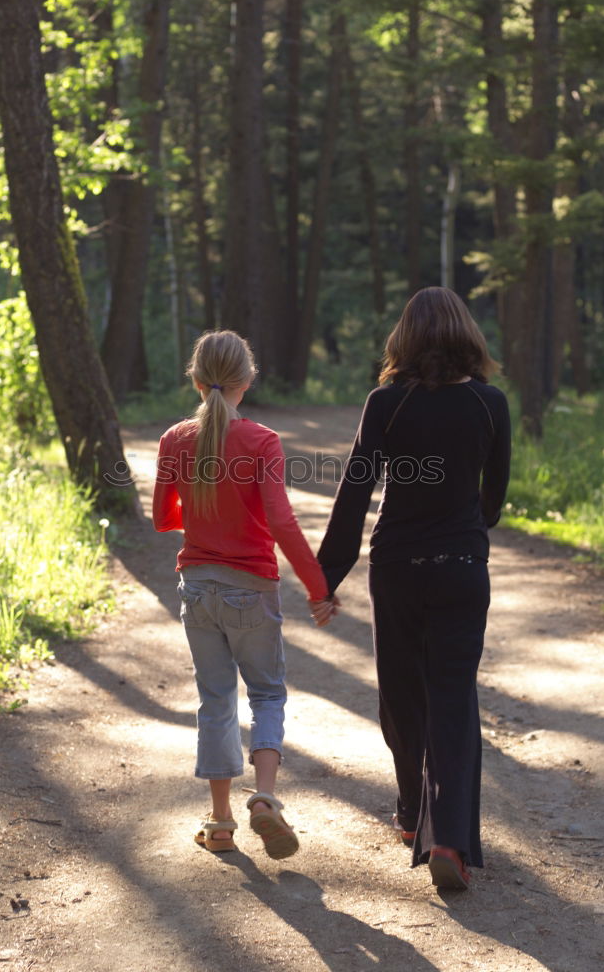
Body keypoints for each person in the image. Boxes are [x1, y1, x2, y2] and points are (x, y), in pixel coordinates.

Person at [316, 287, 511, 891]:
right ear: (466, 338)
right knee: (453, 696)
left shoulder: (386, 404)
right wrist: (466, 524)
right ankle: (448, 835)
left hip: (397, 567)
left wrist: (325, 578)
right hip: (461, 565)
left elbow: (354, 494)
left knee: (402, 695)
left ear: (404, 339)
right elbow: (494, 501)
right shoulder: (489, 404)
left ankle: (409, 814)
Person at [153, 330, 338, 860]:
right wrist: (318, 588)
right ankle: (265, 799)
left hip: (198, 587)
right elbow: (281, 521)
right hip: (253, 589)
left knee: (215, 701)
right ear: (248, 381)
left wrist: (204, 510)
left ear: (194, 378)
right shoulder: (261, 441)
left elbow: (163, 518)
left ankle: (220, 822)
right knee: (267, 694)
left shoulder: (174, 439)